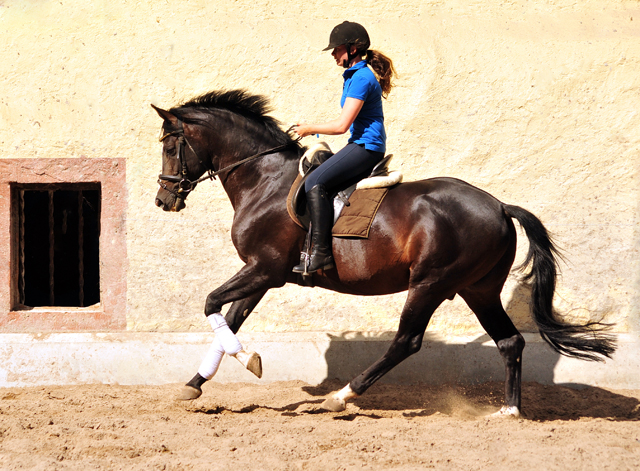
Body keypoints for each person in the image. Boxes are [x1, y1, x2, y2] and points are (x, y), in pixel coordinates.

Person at [292, 21, 397, 274]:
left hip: (366, 147)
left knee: (314, 183)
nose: (333, 54)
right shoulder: (353, 76)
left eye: (337, 48)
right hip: (359, 143)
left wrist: (309, 128)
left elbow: (341, 125)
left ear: (352, 49)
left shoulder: (361, 78)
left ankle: (321, 253)